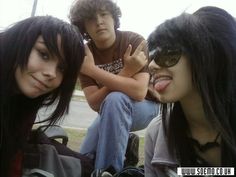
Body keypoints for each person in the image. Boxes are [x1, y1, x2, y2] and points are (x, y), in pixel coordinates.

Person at [69, 0, 159, 173]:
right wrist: (126, 72)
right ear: (83, 26)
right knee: (84, 158)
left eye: (104, 14)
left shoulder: (133, 41)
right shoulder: (86, 56)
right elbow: (95, 104)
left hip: (147, 106)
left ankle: (110, 171)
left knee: (115, 99)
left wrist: (93, 71)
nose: (99, 21)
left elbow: (139, 92)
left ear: (114, 17)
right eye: (90, 18)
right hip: (109, 108)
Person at [145, 6, 236, 177]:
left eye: (167, 52)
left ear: (208, 56)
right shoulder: (157, 134)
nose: (152, 65)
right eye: (152, 55)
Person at [0, 16, 85, 177]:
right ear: (19, 42)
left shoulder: (25, 99)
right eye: (44, 54)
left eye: (61, 68)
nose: (51, 73)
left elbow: (12, 156)